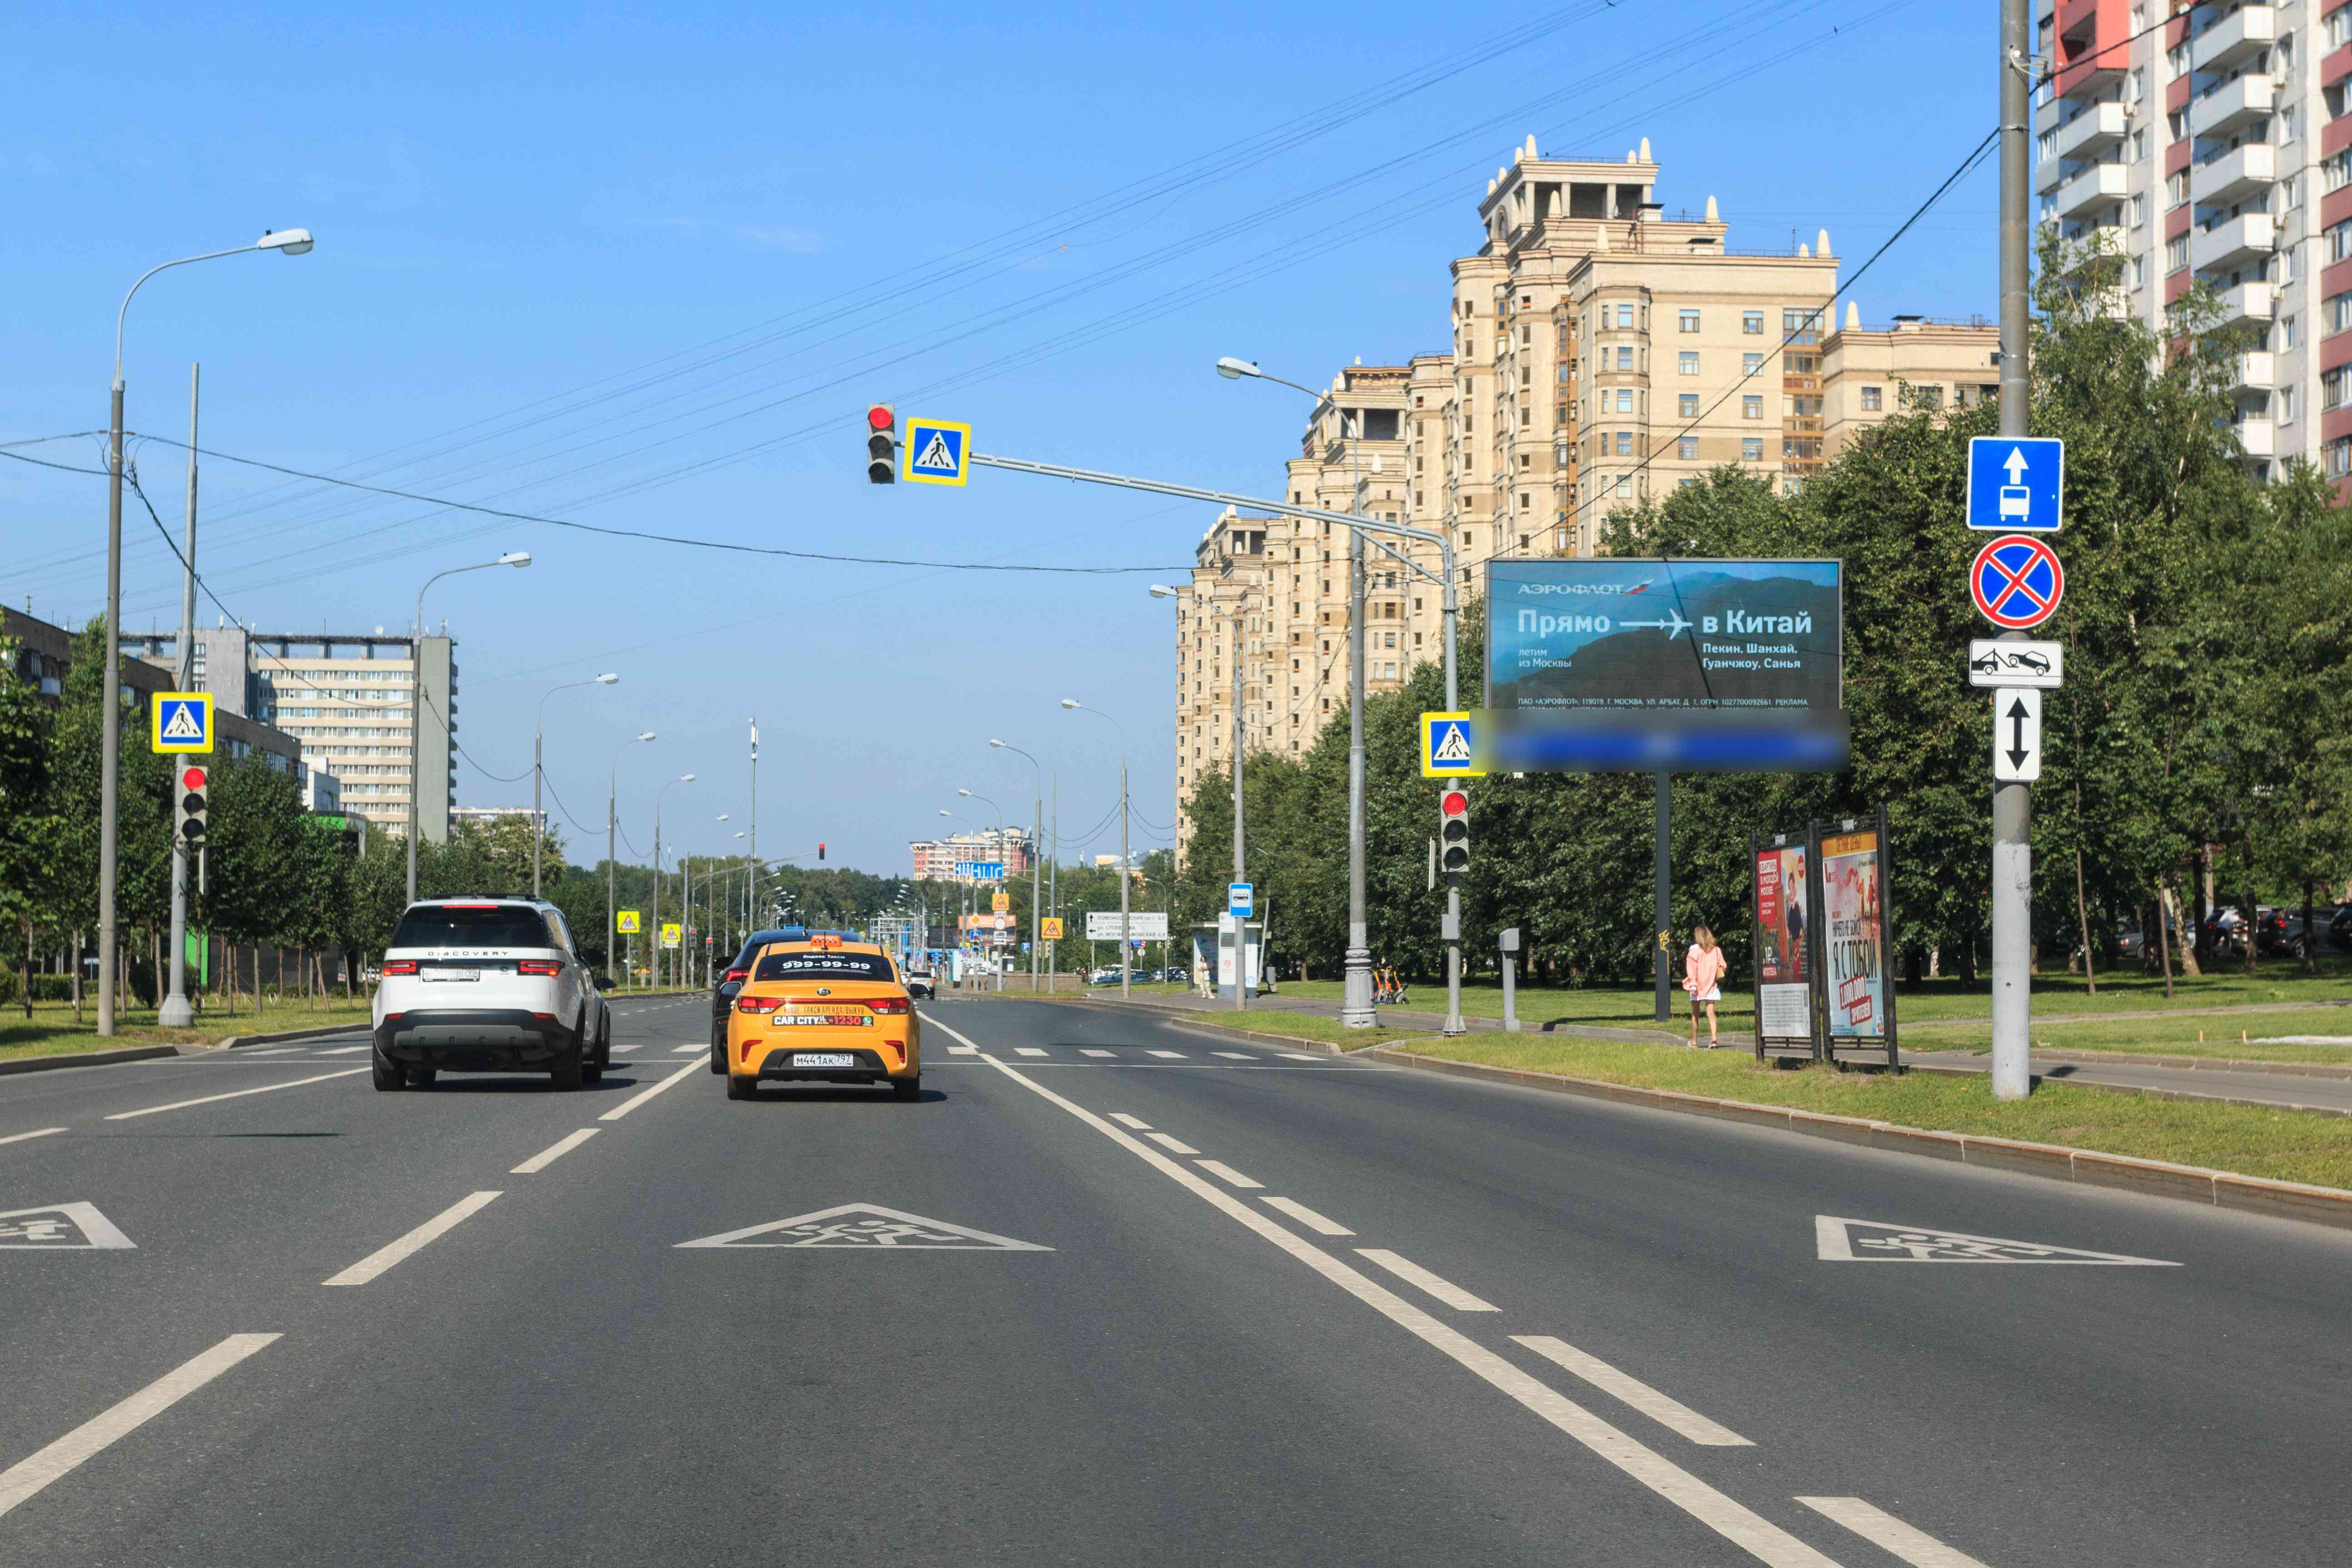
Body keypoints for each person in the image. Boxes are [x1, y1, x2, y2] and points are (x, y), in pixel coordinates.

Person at [1682, 926, 1726, 1047]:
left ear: (1698, 936)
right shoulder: (1716, 950)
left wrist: (1693, 984)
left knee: (1695, 1013)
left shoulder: (1694, 951)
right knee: (1711, 1013)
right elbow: (1723, 965)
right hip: (1711, 986)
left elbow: (1691, 969)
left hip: (1696, 986)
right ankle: (1714, 1038)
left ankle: (1695, 1041)